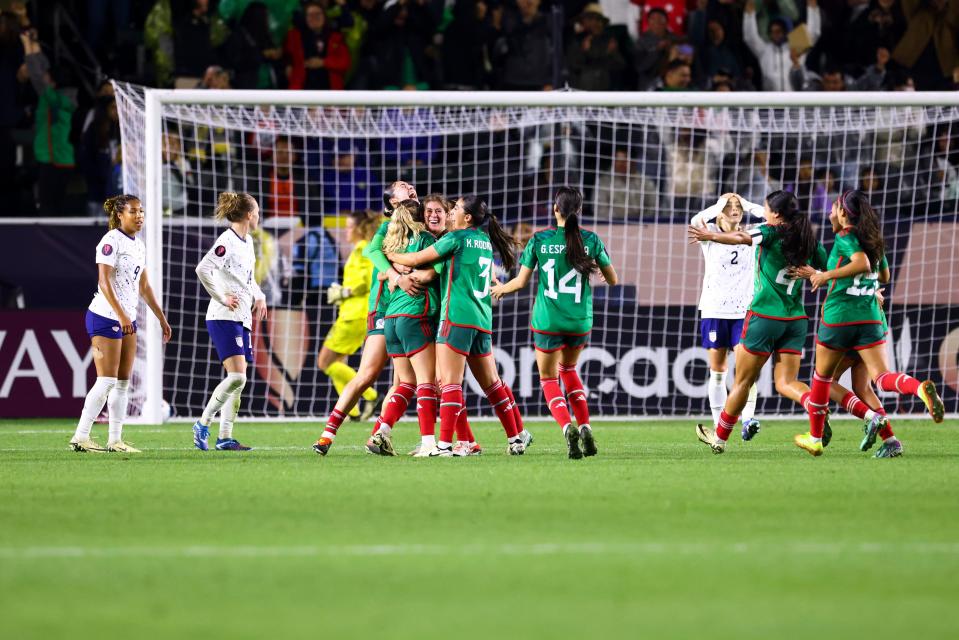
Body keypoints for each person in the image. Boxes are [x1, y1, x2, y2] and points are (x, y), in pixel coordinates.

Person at [793, 191, 944, 457]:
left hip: (840, 319)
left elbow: (860, 263)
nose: (829, 213)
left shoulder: (845, 237)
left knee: (821, 379)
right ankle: (914, 396)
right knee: (878, 381)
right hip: (871, 319)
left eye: (833, 208)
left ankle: (815, 437)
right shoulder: (874, 240)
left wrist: (825, 275)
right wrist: (866, 286)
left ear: (843, 213)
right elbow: (883, 275)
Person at [687, 191, 829, 454]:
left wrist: (712, 236)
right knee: (786, 382)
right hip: (796, 320)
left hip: (764, 317)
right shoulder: (809, 239)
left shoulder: (770, 232)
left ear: (775, 214)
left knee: (742, 381)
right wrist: (816, 274)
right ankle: (814, 407)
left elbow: (742, 237)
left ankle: (719, 438)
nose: (762, 211)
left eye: (765, 207)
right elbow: (831, 273)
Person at [387, 196, 524, 456]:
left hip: (456, 318)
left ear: (468, 217)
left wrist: (390, 254)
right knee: (493, 385)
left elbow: (417, 258)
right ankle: (516, 438)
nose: (452, 212)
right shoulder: (484, 241)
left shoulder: (456, 238)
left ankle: (444, 444)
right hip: (482, 321)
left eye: (457, 208)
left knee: (448, 383)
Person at [492, 187, 618, 459]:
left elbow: (520, 282)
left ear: (555, 209)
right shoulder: (591, 240)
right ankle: (585, 426)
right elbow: (613, 278)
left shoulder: (539, 240)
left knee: (549, 378)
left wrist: (500, 289)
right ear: (580, 211)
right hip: (578, 321)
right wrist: (606, 277)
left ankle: (567, 428)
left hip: (548, 321)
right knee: (569, 369)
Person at [313, 181, 421, 456]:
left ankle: (378, 436)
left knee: (403, 382)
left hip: (409, 308)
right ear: (392, 204)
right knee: (369, 374)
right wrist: (395, 274)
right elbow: (373, 253)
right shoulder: (386, 229)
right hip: (384, 308)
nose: (409, 186)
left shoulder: (422, 226)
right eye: (401, 187)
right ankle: (328, 433)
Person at [69, 195, 172, 453]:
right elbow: (104, 282)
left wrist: (160, 317)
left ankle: (115, 440)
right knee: (106, 380)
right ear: (119, 215)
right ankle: (80, 436)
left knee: (123, 382)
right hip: (105, 315)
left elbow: (144, 286)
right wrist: (122, 315)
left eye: (141, 212)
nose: (139, 216)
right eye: (133, 212)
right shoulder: (110, 241)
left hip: (127, 318)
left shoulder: (139, 245)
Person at [192, 192, 269, 452]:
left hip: (241, 316)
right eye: (257, 211)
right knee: (236, 376)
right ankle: (203, 423)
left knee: (239, 379)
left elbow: (247, 279)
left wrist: (259, 296)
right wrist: (222, 297)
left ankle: (225, 437)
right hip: (223, 316)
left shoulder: (246, 241)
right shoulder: (226, 240)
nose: (259, 215)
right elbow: (202, 268)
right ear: (248, 215)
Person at [689, 194, 765, 440]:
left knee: (746, 371)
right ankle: (718, 424)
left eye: (738, 207)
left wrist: (746, 202)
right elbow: (695, 219)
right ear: (719, 212)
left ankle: (748, 419)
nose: (735, 210)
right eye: (729, 207)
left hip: (743, 312)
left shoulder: (752, 234)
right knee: (718, 370)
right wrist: (719, 204)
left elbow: (772, 218)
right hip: (714, 309)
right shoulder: (707, 233)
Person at [317, 210, 381, 421]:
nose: (346, 230)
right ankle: (352, 412)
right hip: (353, 312)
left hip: (355, 314)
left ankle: (371, 395)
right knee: (339, 362)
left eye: (349, 226)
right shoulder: (359, 249)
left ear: (360, 229)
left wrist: (344, 292)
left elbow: (367, 281)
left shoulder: (364, 249)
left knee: (324, 363)